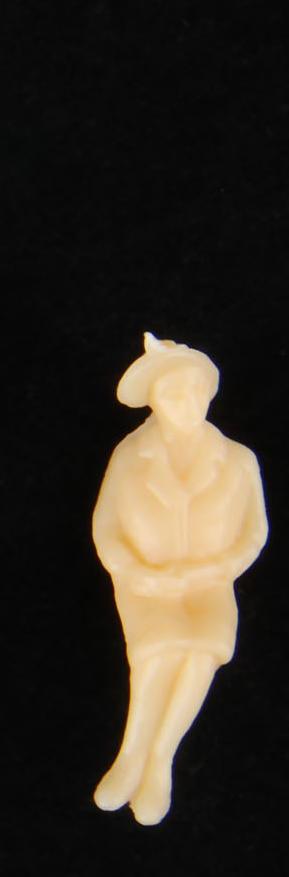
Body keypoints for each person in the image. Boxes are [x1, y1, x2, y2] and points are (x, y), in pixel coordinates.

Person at [91, 334, 267, 824]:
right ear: (154, 401)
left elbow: (255, 533)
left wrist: (217, 569)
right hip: (147, 582)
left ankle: (160, 760)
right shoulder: (131, 455)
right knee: (158, 654)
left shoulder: (238, 459)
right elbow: (106, 526)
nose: (186, 403)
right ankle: (132, 753)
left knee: (200, 654)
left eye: (195, 391)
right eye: (173, 393)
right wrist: (134, 571)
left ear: (209, 394)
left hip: (210, 583)